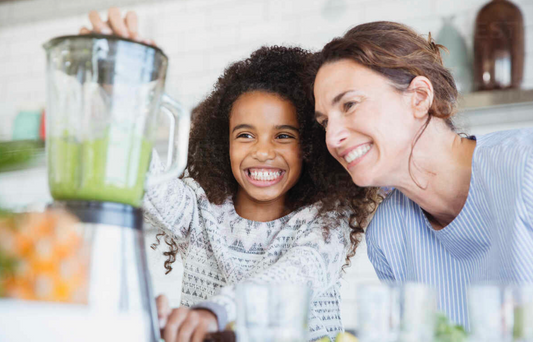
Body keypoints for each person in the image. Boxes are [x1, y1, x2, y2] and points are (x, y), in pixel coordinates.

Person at [82, 8, 379, 342]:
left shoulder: (325, 220)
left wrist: (215, 312)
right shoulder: (198, 209)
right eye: (245, 135)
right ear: (223, 143)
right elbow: (140, 175)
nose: (263, 152)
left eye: (283, 135)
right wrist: (120, 94)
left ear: (310, 145)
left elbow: (295, 276)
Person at [309, 21, 533, 329]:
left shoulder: (525, 166)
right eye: (324, 123)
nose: (332, 138)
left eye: (349, 104)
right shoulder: (389, 234)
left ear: (419, 97)